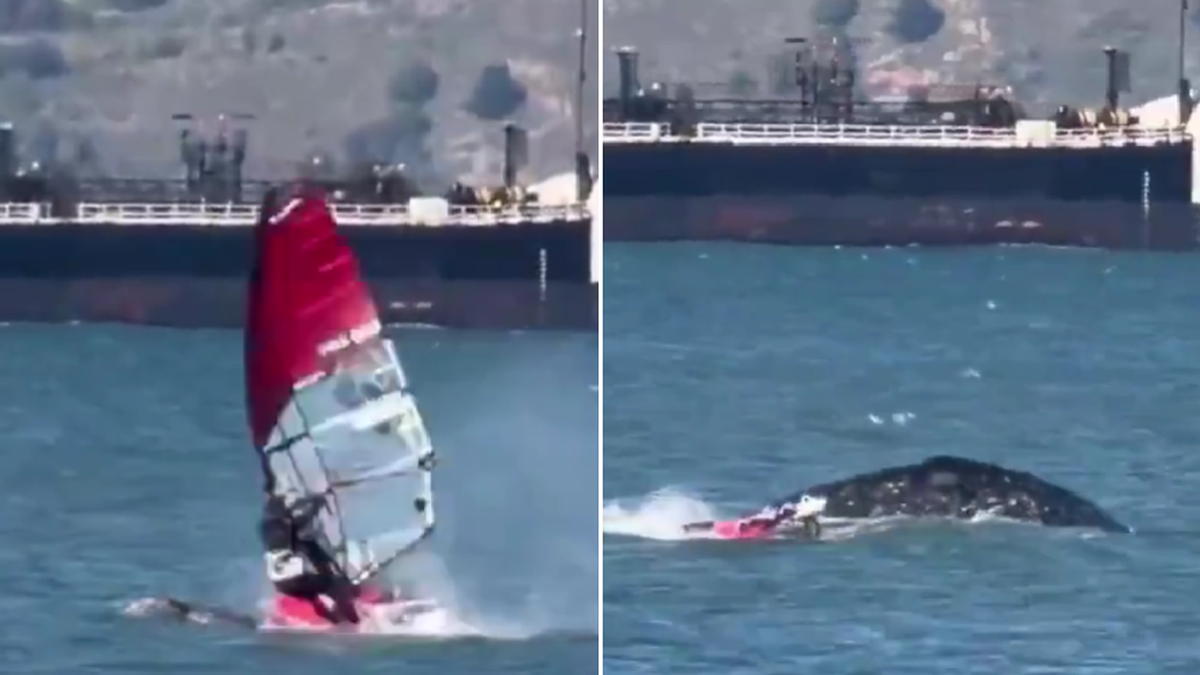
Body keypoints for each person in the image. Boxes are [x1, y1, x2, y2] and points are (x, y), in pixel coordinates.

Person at [259, 493, 362, 625]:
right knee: (332, 585)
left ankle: (333, 620)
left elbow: (295, 521)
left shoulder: (264, 527)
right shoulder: (286, 526)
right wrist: (317, 503)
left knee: (312, 596)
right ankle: (356, 621)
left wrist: (308, 502)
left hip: (280, 584)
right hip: (296, 580)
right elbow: (303, 519)